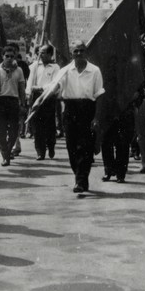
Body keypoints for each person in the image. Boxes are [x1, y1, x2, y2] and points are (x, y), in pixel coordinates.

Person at [43, 40, 105, 193]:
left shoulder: (95, 71)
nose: (78, 54)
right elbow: (56, 87)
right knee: (71, 147)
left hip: (87, 110)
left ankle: (81, 180)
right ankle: (80, 176)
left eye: (81, 51)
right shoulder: (64, 71)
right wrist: (47, 92)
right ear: (71, 53)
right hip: (70, 110)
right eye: (75, 51)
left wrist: (96, 117)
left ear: (86, 52)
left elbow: (99, 96)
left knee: (85, 147)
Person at [0, 43, 26, 167]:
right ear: (2, 56)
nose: (9, 58)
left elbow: (22, 89)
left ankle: (8, 151)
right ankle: (5, 157)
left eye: (12, 56)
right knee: (0, 134)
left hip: (13, 102)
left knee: (13, 132)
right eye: (7, 56)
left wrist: (23, 104)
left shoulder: (19, 70)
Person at [26, 44, 60, 160]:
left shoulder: (55, 67)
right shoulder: (35, 66)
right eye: (39, 52)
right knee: (36, 126)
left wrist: (41, 88)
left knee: (49, 125)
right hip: (36, 97)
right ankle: (40, 151)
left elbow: (55, 84)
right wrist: (29, 92)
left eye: (44, 52)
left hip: (48, 97)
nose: (41, 54)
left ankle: (51, 146)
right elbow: (30, 81)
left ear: (50, 54)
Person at [102, 92, 140, 183]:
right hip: (108, 109)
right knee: (106, 141)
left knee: (123, 142)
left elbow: (139, 89)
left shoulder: (130, 77)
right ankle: (109, 169)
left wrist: (134, 97)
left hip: (125, 110)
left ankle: (121, 173)